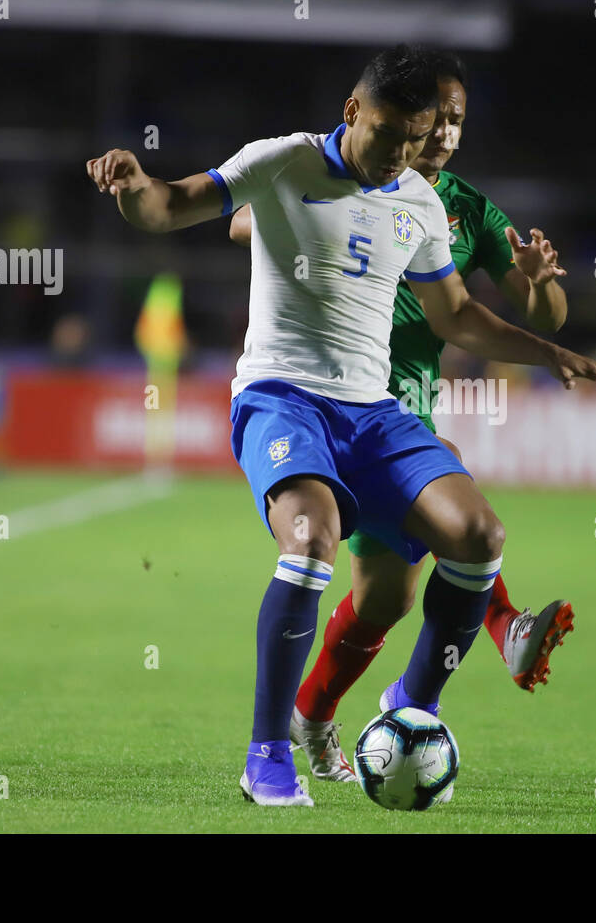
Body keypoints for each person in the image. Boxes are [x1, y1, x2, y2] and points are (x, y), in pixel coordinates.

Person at [87, 44, 596, 806]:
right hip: (283, 399)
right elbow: (171, 205)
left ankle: (414, 707)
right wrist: (133, 182)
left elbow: (458, 315)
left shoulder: (421, 201)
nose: (402, 155)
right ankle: (267, 755)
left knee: (479, 539)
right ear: (352, 111)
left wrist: (552, 353)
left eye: (418, 138)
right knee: (310, 540)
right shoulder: (282, 161)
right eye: (390, 135)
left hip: (375, 412)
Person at [228, 51, 576, 784]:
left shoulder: (466, 210)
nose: (443, 133)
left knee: (384, 601)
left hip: (398, 400)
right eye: (432, 119)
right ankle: (498, 627)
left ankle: (316, 717)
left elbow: (517, 309)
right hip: (324, 393)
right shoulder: (336, 168)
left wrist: (542, 294)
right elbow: (248, 219)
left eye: (454, 121)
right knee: (367, 539)